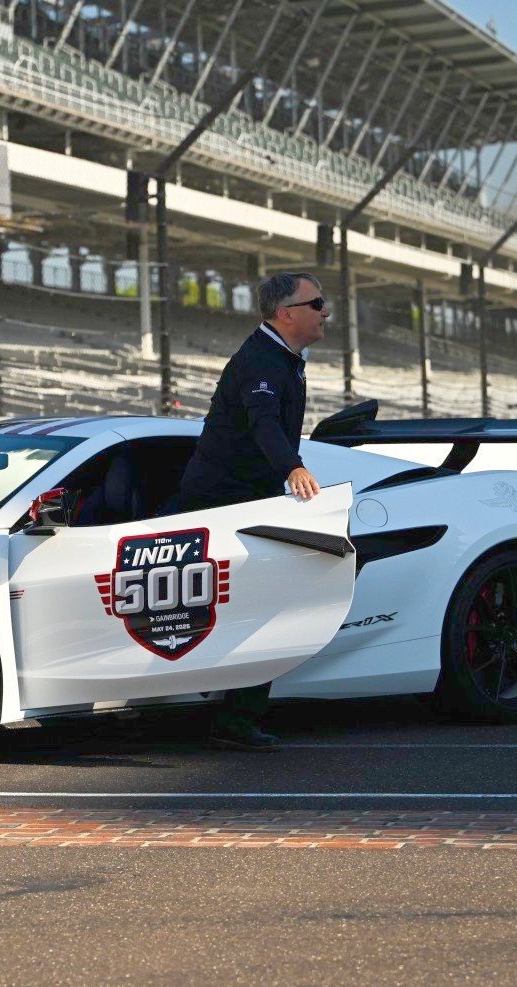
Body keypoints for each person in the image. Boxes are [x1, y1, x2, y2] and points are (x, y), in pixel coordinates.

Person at [177, 272, 330, 751]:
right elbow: (263, 423)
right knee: (263, 603)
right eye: (317, 303)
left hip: (243, 500)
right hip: (222, 505)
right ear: (286, 314)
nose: (326, 312)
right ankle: (234, 718)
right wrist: (293, 468)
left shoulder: (284, 357)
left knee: (257, 602)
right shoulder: (262, 359)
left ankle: (231, 710)